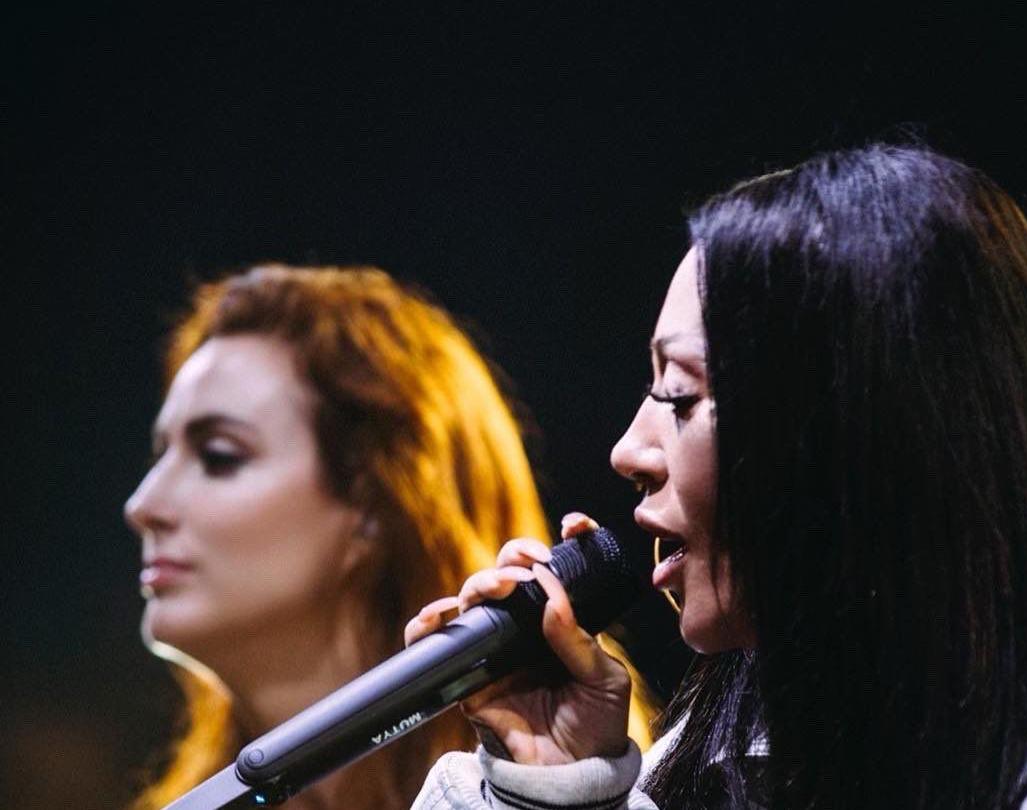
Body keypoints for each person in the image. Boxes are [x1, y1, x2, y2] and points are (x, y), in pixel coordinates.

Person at [406, 144, 1027, 810]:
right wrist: (555, 788)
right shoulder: (713, 763)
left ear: (851, 429)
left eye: (679, 395)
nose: (628, 452)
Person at [124, 265, 652, 809]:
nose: (142, 507)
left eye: (218, 457)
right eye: (161, 456)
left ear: (375, 504)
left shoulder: (560, 772)